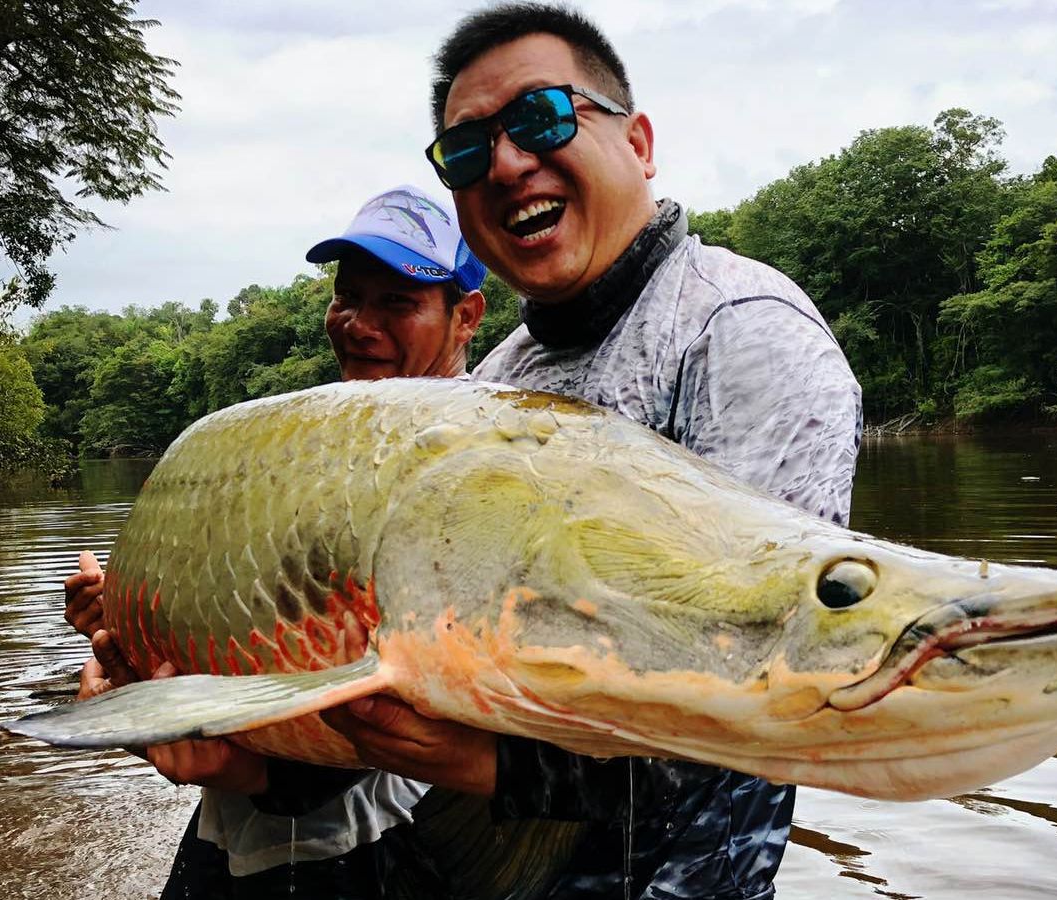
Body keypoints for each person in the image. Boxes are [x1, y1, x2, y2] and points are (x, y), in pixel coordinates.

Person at [320, 5, 865, 899]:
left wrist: (496, 766)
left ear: (640, 142)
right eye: (467, 151)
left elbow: (769, 691)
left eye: (541, 119)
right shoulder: (501, 376)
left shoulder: (739, 333)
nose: (503, 164)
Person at [63, 183, 486, 899]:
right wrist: (127, 619)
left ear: (465, 316)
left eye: (396, 303)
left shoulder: (466, 468)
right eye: (348, 296)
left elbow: (402, 690)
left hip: (381, 845)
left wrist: (236, 765)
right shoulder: (310, 445)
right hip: (237, 838)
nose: (358, 324)